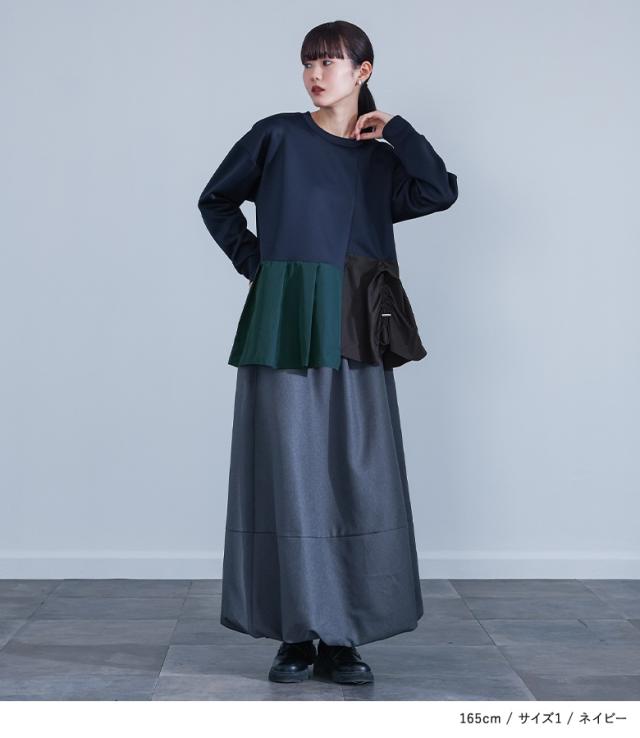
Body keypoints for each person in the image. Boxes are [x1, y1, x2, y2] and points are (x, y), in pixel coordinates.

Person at [197, 20, 458, 687]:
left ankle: (344, 637)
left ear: (363, 71)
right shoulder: (277, 136)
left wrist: (397, 129)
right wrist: (257, 264)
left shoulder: (380, 156)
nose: (315, 74)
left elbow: (439, 190)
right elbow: (216, 200)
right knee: (289, 474)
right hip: (286, 316)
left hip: (357, 317)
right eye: (308, 62)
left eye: (330, 62)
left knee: (356, 475)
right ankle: (296, 633)